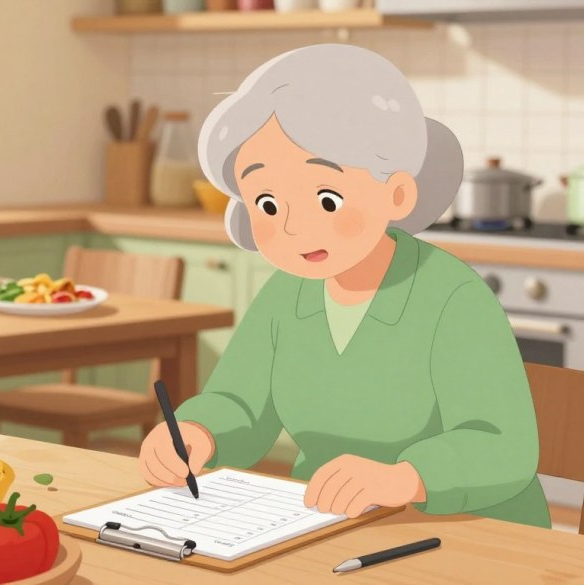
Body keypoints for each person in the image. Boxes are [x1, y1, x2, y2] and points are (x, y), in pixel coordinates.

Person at [137, 44, 550, 528]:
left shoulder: (454, 298)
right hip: (331, 522)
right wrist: (197, 432)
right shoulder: (286, 295)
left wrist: (406, 478)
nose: (293, 228)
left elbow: (502, 444)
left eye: (327, 199)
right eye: (268, 204)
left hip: (469, 532)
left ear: (397, 193)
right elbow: (240, 404)